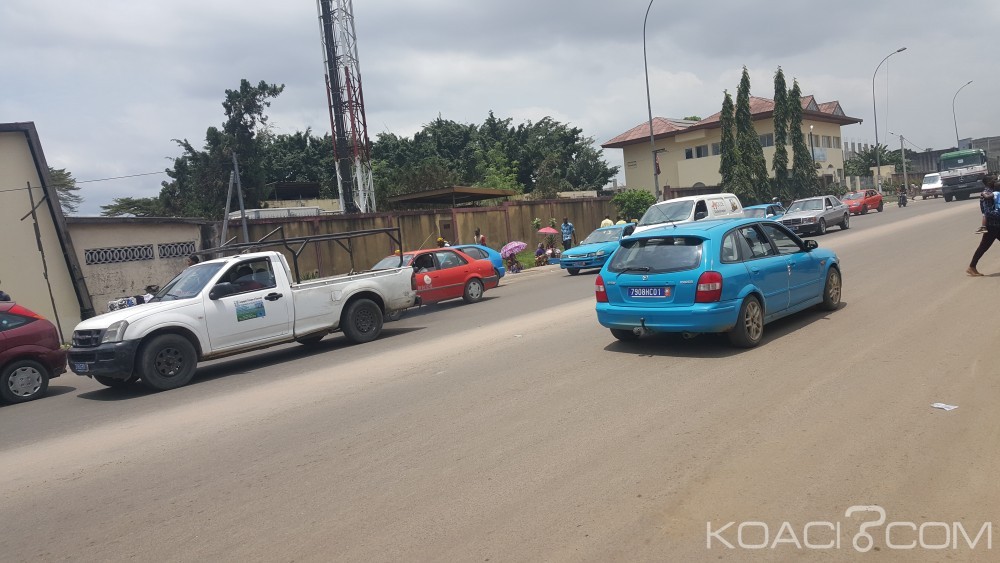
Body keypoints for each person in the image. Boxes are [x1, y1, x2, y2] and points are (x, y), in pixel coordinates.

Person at [968, 187, 1000, 276]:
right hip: (992, 226)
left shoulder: (991, 192)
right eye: (994, 180)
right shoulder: (987, 194)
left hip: (996, 225)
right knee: (983, 247)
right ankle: (972, 267)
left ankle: (972, 267)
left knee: (983, 247)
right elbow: (988, 212)